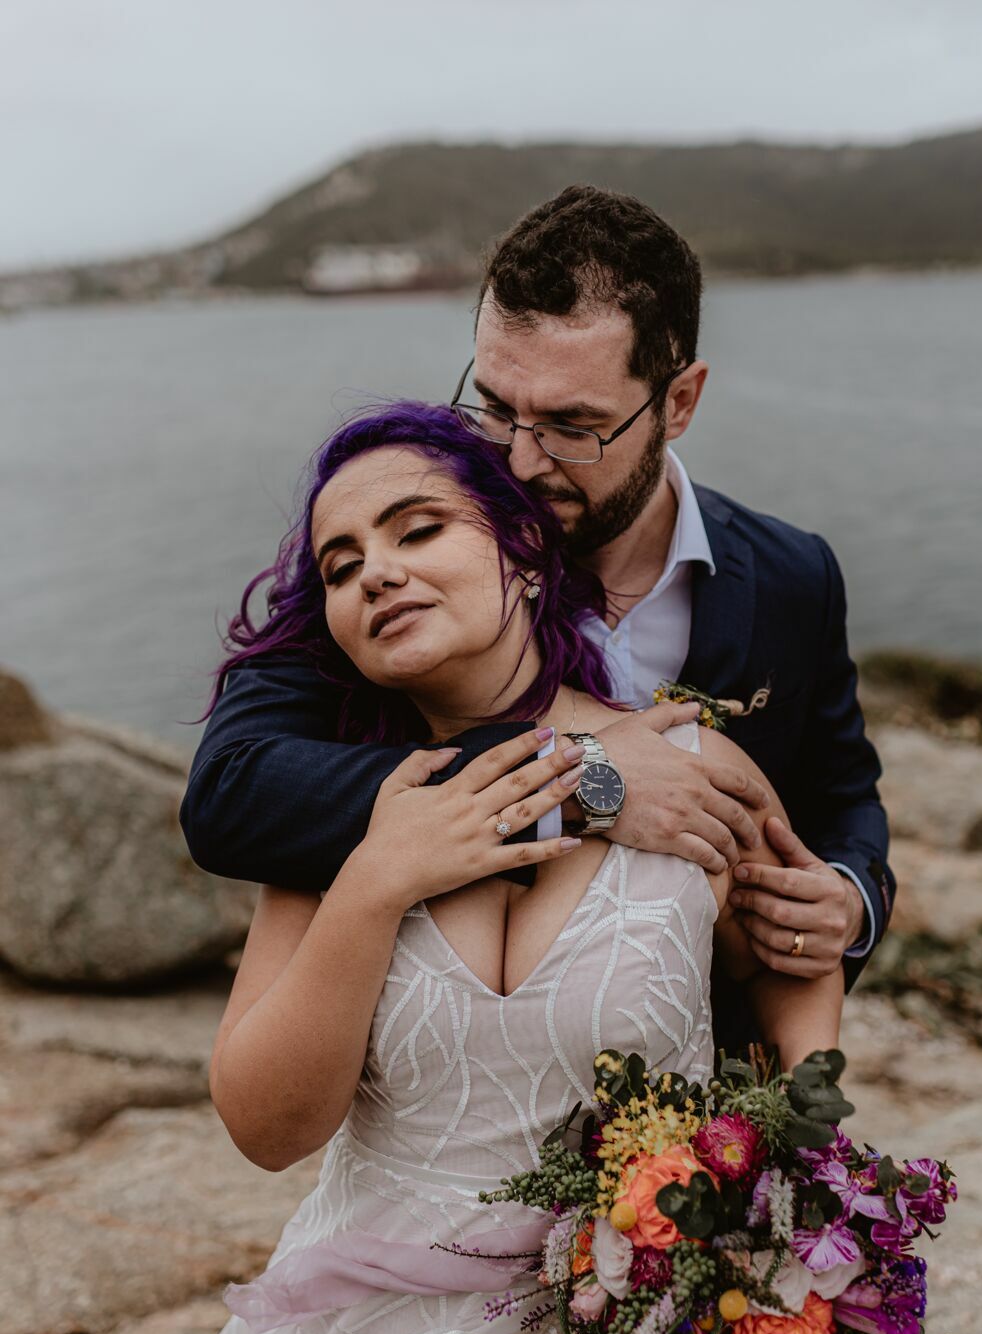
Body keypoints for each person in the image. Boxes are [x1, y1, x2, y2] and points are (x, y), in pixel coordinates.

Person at [0, 404, 843, 1334]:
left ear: (523, 551)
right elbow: (265, 1122)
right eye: (342, 566)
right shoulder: (338, 814)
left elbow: (790, 951)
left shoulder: (689, 770)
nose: (376, 572)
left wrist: (801, 1179)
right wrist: (376, 880)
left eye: (417, 529)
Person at [179, 186, 893, 1052]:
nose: (517, 458)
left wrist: (849, 896)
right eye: (495, 404)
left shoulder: (792, 575)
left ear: (679, 402)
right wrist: (585, 782)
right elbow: (230, 794)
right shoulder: (404, 557)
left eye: (570, 425)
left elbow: (842, 791)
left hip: (697, 1111)